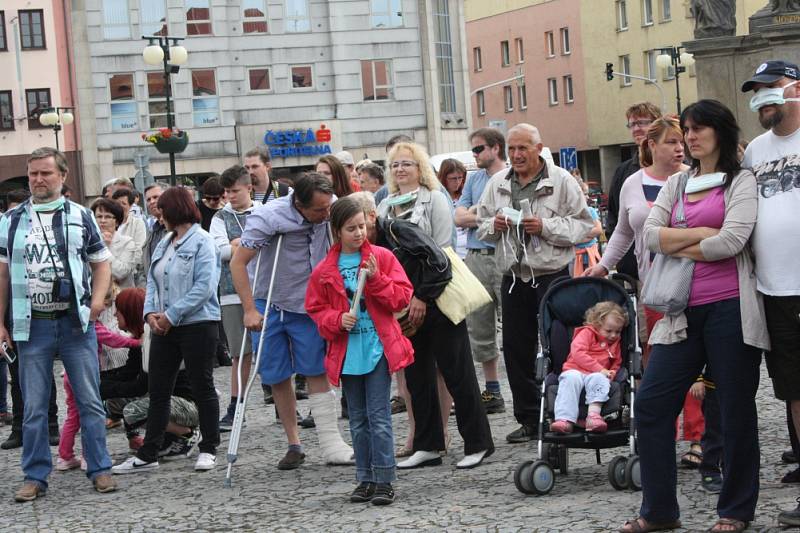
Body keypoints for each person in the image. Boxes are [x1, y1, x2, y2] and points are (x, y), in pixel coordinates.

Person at [621, 100, 769, 533]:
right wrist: (703, 234)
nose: (691, 136)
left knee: (735, 409)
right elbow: (648, 236)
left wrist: (680, 239)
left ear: (720, 131)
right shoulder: (678, 183)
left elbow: (733, 241)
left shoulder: (742, 181)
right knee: (651, 404)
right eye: (686, 128)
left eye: (699, 128)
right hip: (680, 312)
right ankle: (660, 511)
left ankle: (735, 510)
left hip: (730, 310)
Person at [583, 116, 707, 469]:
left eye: (682, 141)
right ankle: (661, 435)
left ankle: (698, 437)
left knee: (697, 367)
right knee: (660, 366)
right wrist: (603, 266)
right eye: (671, 141)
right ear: (652, 145)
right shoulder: (633, 183)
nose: (679, 147)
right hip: (657, 289)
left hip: (697, 280)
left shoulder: (695, 178)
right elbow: (622, 232)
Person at [0, 147, 117, 501]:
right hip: (30, 324)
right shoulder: (11, 219)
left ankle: (100, 469)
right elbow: (2, 273)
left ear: (62, 176)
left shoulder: (81, 216)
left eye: (45, 173)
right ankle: (35, 476)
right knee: (34, 406)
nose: (38, 179)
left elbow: (101, 263)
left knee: (89, 401)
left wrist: (96, 304)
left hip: (74, 323)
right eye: (33, 173)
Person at [378, 142, 494, 470]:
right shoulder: (385, 204)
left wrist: (424, 297)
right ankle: (428, 444)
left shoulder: (435, 199)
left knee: (457, 373)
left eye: (408, 164)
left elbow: (443, 254)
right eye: (396, 164)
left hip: (438, 294)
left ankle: (478, 443)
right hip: (403, 298)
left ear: (420, 168)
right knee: (417, 377)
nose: (401, 169)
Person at [476, 123, 593, 444]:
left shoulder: (561, 181)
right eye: (511, 149)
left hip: (552, 275)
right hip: (513, 277)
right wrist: (494, 224)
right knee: (515, 349)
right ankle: (529, 418)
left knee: (559, 346)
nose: (516, 155)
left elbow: (587, 226)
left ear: (539, 148)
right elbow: (480, 225)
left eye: (522, 148)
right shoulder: (498, 182)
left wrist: (545, 226)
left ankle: (567, 413)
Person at [230, 173, 354, 470]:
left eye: (328, 208)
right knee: (275, 374)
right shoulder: (267, 217)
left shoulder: (330, 207)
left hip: (308, 303)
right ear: (298, 203)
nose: (326, 215)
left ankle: (330, 441)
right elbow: (238, 262)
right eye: (318, 211)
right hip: (269, 301)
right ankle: (294, 442)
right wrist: (248, 309)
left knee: (315, 368)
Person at [306, 197, 414, 505]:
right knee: (357, 419)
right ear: (337, 231)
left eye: (362, 226)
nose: (359, 233)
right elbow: (315, 310)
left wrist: (377, 278)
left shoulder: (381, 257)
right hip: (347, 353)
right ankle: (364, 477)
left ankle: (384, 477)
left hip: (378, 349)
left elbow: (401, 298)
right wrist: (337, 319)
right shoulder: (325, 270)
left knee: (378, 416)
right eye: (351, 228)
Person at [112, 186, 221, 474]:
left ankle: (209, 447)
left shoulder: (202, 241)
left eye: (162, 209)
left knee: (202, 384)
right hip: (162, 326)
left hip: (198, 323)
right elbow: (152, 281)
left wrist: (171, 315)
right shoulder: (164, 243)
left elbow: (204, 287)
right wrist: (149, 314)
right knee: (157, 388)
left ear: (174, 210)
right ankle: (149, 452)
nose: (157, 214)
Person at [741, 59, 800, 527]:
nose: (761, 97)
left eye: (771, 87)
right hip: (775, 289)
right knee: (795, 392)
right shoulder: (756, 151)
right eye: (755, 91)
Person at [101, 287, 200, 458]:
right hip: (173, 401)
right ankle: (167, 436)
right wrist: (99, 380)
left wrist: (102, 388)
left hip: (187, 405)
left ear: (130, 312)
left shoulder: (152, 339)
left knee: (132, 411)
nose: (115, 314)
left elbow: (140, 386)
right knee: (117, 401)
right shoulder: (140, 338)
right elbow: (128, 372)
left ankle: (187, 433)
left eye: (119, 310)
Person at [57, 285, 142, 471]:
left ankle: (65, 456)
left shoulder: (75, 321)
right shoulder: (90, 323)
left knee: (74, 416)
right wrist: (135, 342)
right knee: (91, 413)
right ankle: (90, 456)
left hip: (70, 374)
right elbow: (112, 339)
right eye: (104, 303)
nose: (104, 308)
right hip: (83, 374)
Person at [454, 127, 508, 414]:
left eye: (478, 149)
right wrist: (484, 215)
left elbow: (510, 217)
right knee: (479, 325)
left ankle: (529, 390)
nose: (474, 155)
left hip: (504, 255)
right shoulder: (474, 179)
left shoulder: (510, 176)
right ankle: (493, 390)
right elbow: (459, 217)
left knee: (513, 325)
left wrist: (476, 215)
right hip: (475, 258)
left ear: (495, 148)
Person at [210, 165, 257, 430]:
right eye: (226, 192)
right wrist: (239, 245)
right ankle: (236, 406)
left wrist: (239, 244)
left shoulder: (262, 213)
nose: (230, 196)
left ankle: (283, 404)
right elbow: (220, 251)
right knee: (240, 353)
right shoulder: (219, 218)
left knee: (269, 351)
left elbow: (264, 245)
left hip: (261, 289)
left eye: (235, 191)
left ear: (248, 188)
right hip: (231, 293)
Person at [550, 301, 628, 434]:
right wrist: (599, 368)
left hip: (596, 375)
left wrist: (611, 373)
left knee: (600, 378)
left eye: (618, 331)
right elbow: (578, 353)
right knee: (570, 379)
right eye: (609, 331)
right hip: (576, 369)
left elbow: (617, 362)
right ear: (596, 325)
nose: (613, 335)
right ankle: (564, 419)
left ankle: (593, 417)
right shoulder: (586, 333)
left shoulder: (615, 342)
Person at [606, 102, 663, 281]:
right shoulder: (624, 172)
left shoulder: (678, 169)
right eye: (632, 124)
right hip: (634, 269)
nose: (636, 129)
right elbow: (614, 219)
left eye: (642, 123)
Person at [92, 199, 137, 289]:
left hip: (121, 296)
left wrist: (104, 248)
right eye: (99, 216)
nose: (103, 221)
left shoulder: (127, 242)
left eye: (108, 217)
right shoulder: (89, 242)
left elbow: (121, 273)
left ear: (116, 222)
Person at [570, 178, 603, 277]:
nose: (588, 197)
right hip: (574, 258)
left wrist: (578, 234)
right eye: (585, 194)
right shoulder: (569, 213)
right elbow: (570, 237)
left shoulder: (591, 210)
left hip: (591, 255)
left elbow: (598, 230)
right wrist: (589, 234)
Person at [112, 188, 146, 279]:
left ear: (131, 206)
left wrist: (125, 270)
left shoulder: (138, 224)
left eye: (123, 203)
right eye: (117, 203)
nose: (119, 206)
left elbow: (138, 249)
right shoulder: (108, 223)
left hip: (130, 275)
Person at [437, 158, 468, 258]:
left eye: (460, 178)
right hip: (449, 252)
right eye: (453, 178)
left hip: (468, 252)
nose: (458, 182)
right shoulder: (438, 197)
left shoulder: (466, 195)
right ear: (443, 178)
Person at [374, 134, 413, 206]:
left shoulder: (433, 193)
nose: (399, 168)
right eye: (391, 157)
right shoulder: (382, 194)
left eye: (404, 162)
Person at [142, 184, 167, 279]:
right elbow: (143, 265)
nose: (152, 202)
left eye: (156, 197)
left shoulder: (178, 230)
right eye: (148, 199)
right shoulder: (152, 231)